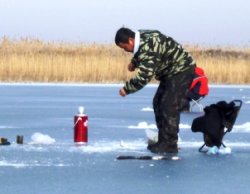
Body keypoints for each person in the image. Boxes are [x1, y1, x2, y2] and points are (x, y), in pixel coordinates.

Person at [115, 27, 196, 153]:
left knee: (168, 105)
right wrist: (135, 62)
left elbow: (145, 76)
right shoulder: (141, 36)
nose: (125, 51)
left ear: (130, 40)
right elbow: (143, 51)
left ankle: (170, 144)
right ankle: (163, 140)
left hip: (182, 70)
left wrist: (127, 89)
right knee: (158, 102)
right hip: (170, 72)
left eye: (124, 47)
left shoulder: (149, 45)